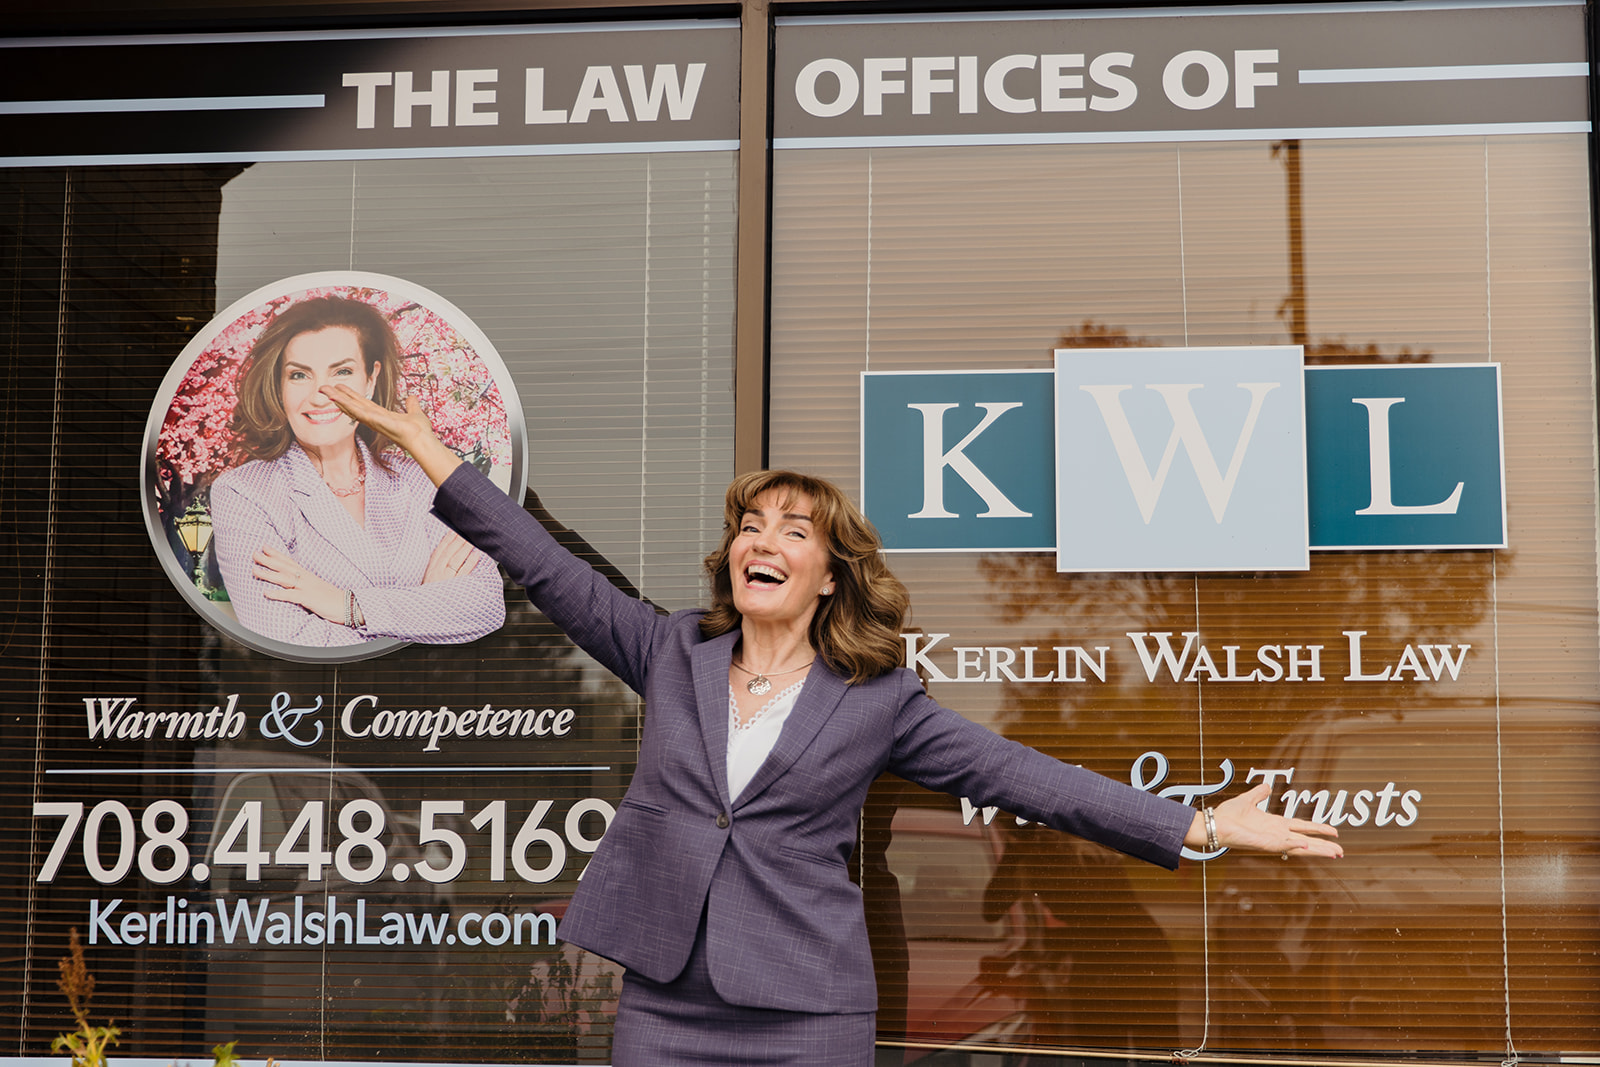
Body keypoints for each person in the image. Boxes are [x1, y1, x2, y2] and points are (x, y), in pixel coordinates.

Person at [327, 384, 1342, 1066]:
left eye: (792, 530)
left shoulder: (879, 699)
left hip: (804, 1007)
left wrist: (1198, 826)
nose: (760, 540)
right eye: (749, 525)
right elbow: (547, 566)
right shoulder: (667, 650)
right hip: (665, 999)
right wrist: (425, 448)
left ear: (828, 570)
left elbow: (1027, 776)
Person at [208, 296, 505, 648]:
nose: (320, 397)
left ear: (370, 379)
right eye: (299, 375)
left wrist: (344, 605)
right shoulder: (245, 492)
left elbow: (487, 604)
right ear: (280, 386)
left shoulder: (420, 478)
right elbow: (287, 636)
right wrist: (428, 604)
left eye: (342, 372)